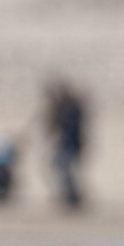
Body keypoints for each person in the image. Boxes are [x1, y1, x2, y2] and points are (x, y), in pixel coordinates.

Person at [44, 80, 87, 210]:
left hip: (70, 144)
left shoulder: (71, 107)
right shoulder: (64, 107)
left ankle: (72, 198)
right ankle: (70, 197)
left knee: (64, 170)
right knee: (62, 169)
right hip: (67, 144)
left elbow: (69, 126)